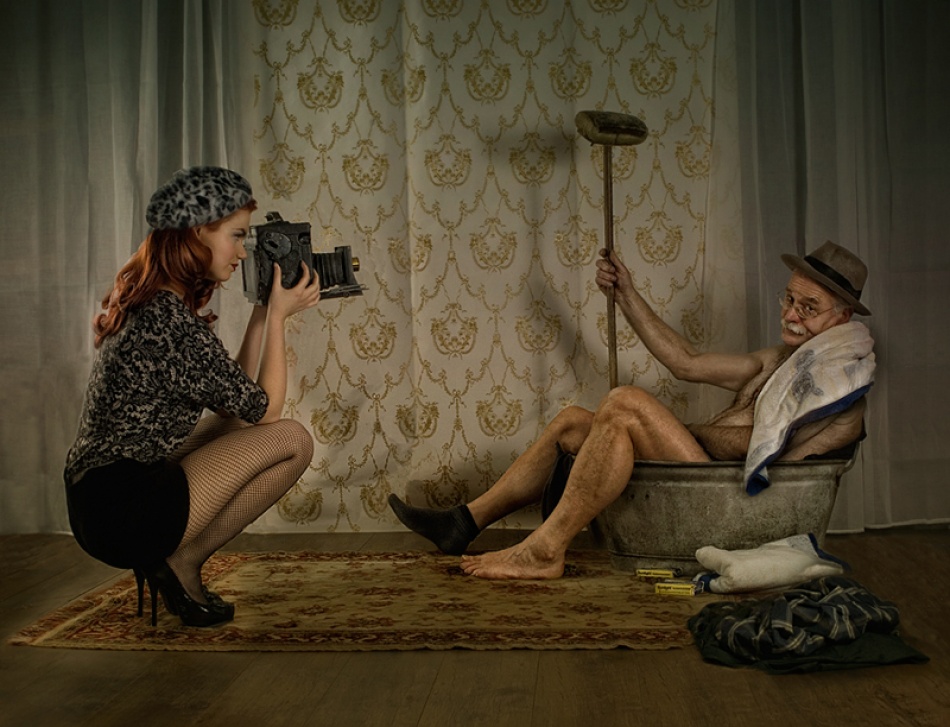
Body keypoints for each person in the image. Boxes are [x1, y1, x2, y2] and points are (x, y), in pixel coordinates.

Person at [388, 241, 873, 579]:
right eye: (789, 299)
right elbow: (686, 362)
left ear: (843, 317)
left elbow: (754, 448)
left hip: (732, 504)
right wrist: (626, 294)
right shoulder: (779, 361)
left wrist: (678, 429)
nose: (790, 314)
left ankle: (545, 549)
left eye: (809, 307)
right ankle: (464, 523)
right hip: (707, 479)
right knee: (574, 421)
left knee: (625, 403)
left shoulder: (833, 386)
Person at [64, 166, 321, 626]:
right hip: (125, 510)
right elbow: (267, 411)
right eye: (236, 236)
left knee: (239, 420)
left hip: (96, 499)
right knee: (293, 439)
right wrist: (280, 319)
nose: (242, 252)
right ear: (198, 232)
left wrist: (262, 310)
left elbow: (237, 400)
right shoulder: (170, 322)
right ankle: (181, 561)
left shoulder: (154, 303)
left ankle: (171, 562)